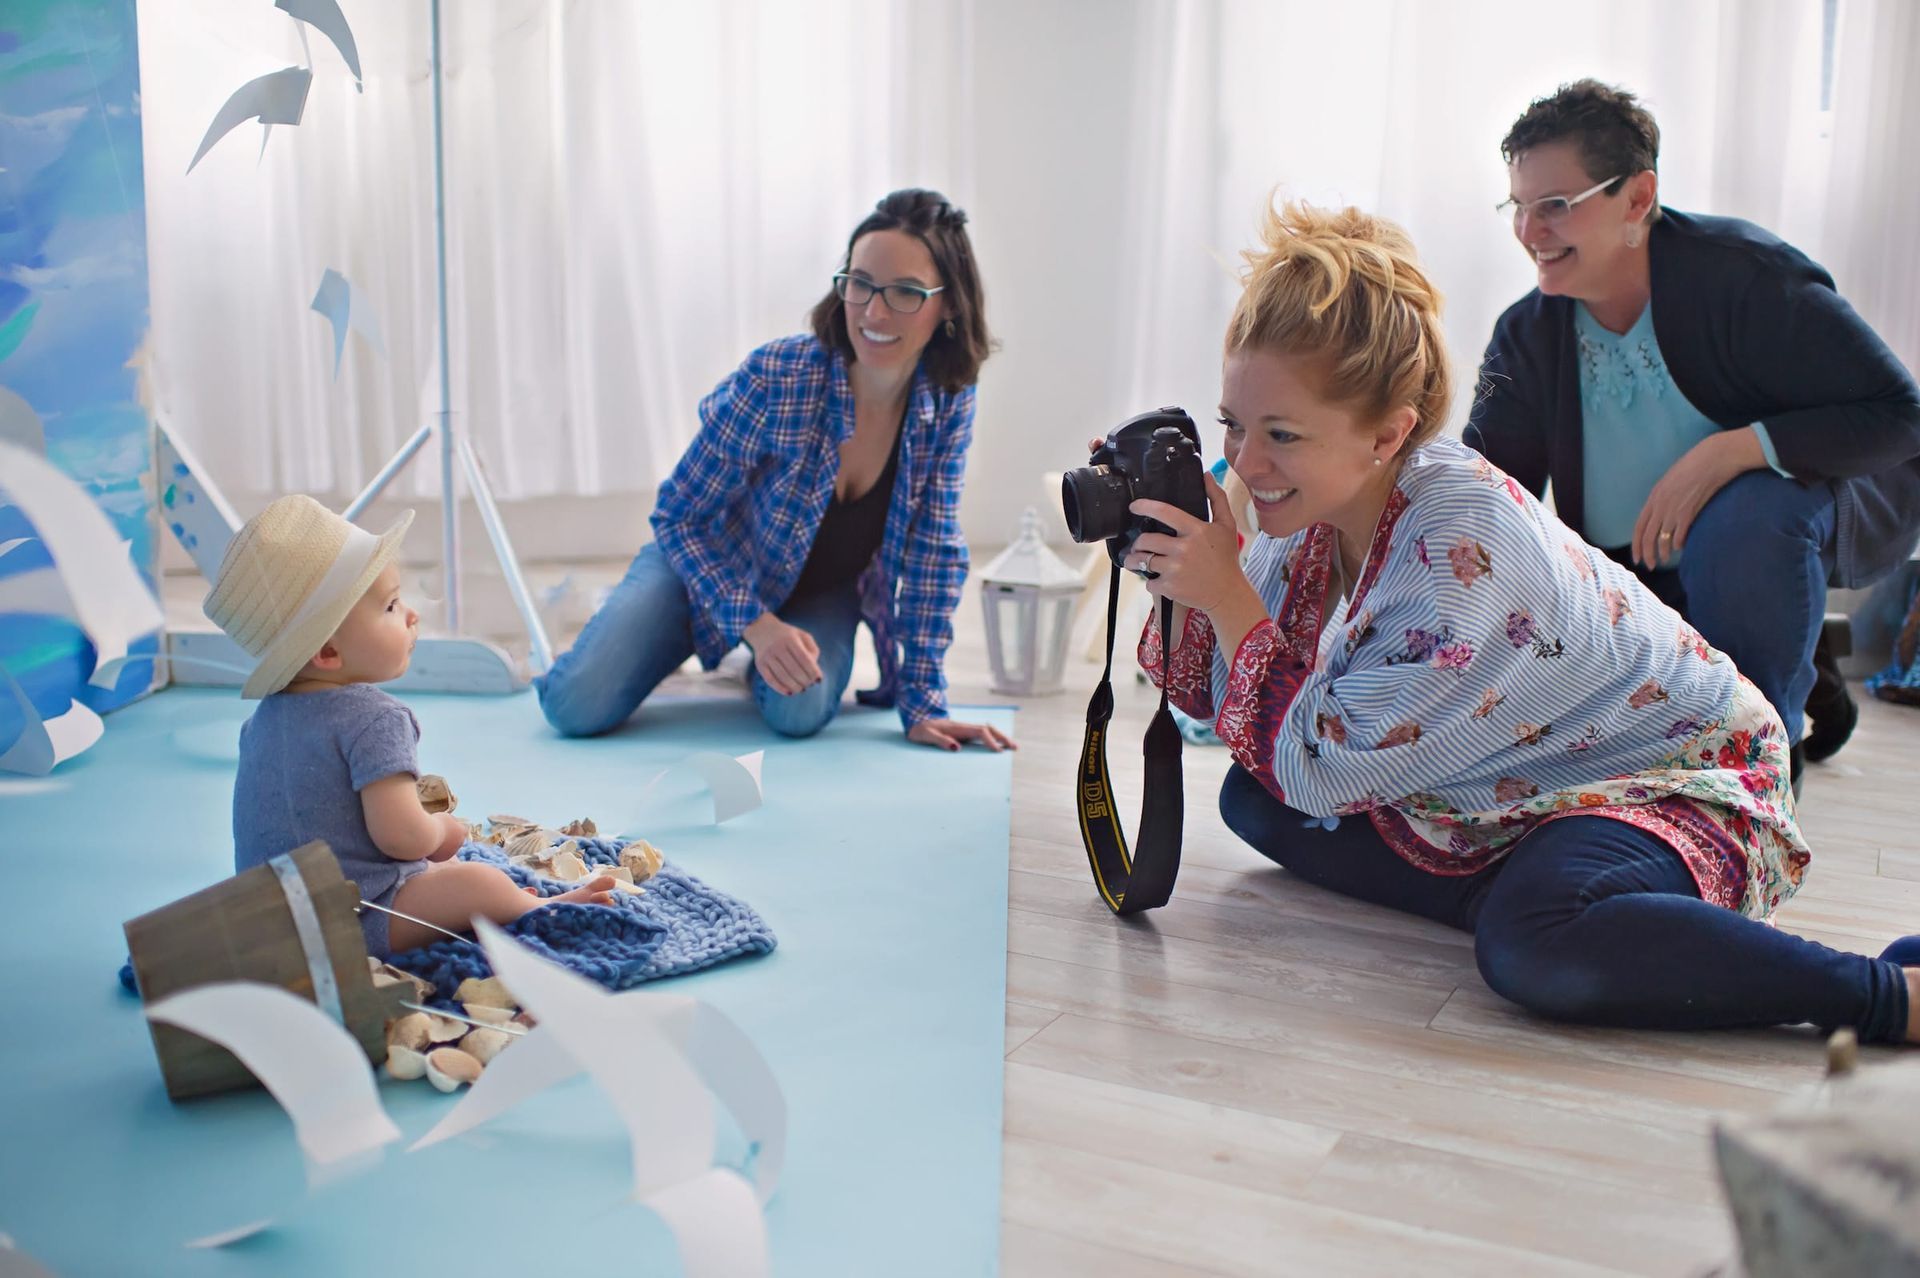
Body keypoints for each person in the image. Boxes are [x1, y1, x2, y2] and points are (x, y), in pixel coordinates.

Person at [1128, 199, 1920, 1043]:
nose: (1246, 463)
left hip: (1689, 783)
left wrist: (1226, 599)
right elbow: (1232, 711)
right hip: (1516, 793)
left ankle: (1887, 995)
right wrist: (1180, 585)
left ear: (1388, 433)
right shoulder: (1315, 511)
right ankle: (1555, 899)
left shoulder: (1459, 547)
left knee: (1531, 943)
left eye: (1280, 433)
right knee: (1255, 797)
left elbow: (1319, 764)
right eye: (1233, 425)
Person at [1465, 80, 1920, 782]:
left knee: (1747, 521)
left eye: (1556, 205)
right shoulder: (1524, 335)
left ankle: (1761, 770)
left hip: (1764, 532)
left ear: (1638, 199)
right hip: (1644, 572)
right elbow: (1490, 498)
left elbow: (1901, 413)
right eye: (1519, 207)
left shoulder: (1749, 278)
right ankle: (1805, 670)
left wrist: (1732, 450)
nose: (1530, 232)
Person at [537, 189, 1014, 754]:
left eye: (906, 292)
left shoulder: (948, 399)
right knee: (574, 707)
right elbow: (678, 515)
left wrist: (924, 704)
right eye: (860, 283)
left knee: (800, 711)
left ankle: (749, 661)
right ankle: (676, 632)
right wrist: (756, 625)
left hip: (822, 593)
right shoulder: (780, 375)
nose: (875, 312)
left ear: (949, 306)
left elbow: (934, 551)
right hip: (705, 571)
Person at [206, 495, 616, 958]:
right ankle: (537, 908)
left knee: (436, 880)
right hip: (350, 923)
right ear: (327, 653)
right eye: (391, 606)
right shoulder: (376, 718)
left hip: (273, 922)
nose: (412, 614)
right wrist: (443, 830)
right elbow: (402, 839)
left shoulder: (259, 725)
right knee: (477, 881)